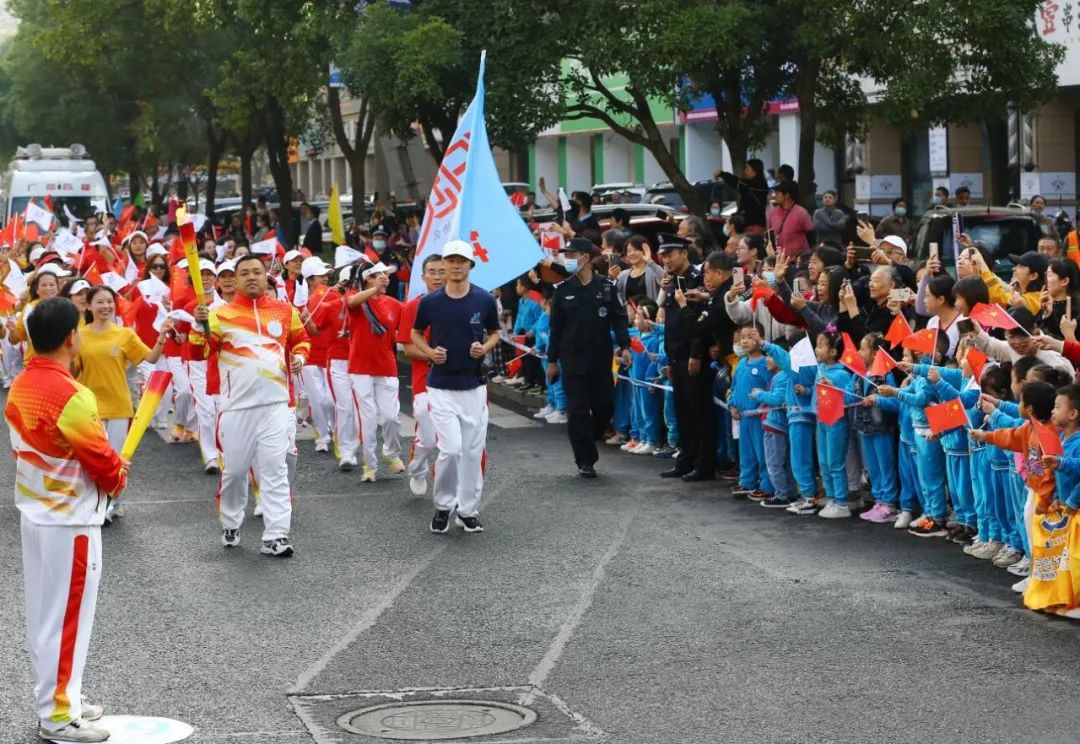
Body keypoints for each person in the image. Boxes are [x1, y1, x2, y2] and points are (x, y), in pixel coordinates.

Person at [7, 296, 129, 743]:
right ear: (70, 338)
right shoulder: (74, 396)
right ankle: (58, 717)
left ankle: (61, 699)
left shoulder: (20, 384)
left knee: (46, 617)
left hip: (36, 514)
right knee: (66, 622)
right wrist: (119, 474)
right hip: (70, 522)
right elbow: (102, 462)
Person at [191, 254, 310, 557]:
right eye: (244, 273)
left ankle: (276, 535)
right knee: (235, 472)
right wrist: (198, 326)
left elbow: (301, 340)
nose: (251, 277)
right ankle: (231, 522)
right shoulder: (219, 315)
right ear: (235, 280)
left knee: (275, 469)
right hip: (236, 408)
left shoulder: (285, 310)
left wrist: (299, 357)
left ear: (265, 275)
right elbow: (198, 351)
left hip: (275, 404)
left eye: (257, 271)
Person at [408, 239, 500, 534]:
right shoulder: (431, 302)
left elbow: (495, 332)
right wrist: (429, 352)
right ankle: (443, 505)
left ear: (470, 265)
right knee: (451, 449)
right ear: (444, 264)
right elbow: (415, 333)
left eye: (462, 261)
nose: (456, 266)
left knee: (472, 452)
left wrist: (484, 347)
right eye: (451, 261)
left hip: (473, 386)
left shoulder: (483, 299)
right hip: (441, 386)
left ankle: (467, 511)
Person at [76, 285, 168, 522]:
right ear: (89, 306)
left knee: (116, 459)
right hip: (88, 406)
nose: (105, 306)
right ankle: (95, 502)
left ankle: (114, 502)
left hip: (119, 404)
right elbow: (72, 370)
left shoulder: (124, 334)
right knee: (93, 458)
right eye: (100, 302)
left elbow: (151, 358)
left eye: (109, 302)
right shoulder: (79, 336)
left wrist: (161, 338)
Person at [547, 237, 631, 478]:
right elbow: (555, 329)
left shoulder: (606, 287)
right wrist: (552, 361)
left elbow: (619, 318)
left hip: (600, 359)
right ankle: (585, 460)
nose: (567, 259)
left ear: (585, 258)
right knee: (577, 411)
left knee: (604, 406)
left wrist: (624, 346)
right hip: (572, 361)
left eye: (571, 255)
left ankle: (591, 437)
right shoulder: (562, 290)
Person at [345, 260, 405, 483]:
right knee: (367, 419)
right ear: (367, 279)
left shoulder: (395, 305)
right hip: (360, 368)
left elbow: (408, 328)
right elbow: (351, 302)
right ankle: (370, 465)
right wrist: (373, 290)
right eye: (379, 275)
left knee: (391, 417)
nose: (385, 279)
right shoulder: (357, 299)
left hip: (387, 366)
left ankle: (391, 453)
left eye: (386, 276)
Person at [660, 243, 715, 481]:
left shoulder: (698, 280)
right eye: (663, 256)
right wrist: (669, 358)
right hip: (676, 356)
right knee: (682, 412)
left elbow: (700, 324)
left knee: (700, 412)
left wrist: (696, 354)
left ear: (683, 253)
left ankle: (705, 465)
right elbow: (671, 325)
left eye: (670, 255)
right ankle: (686, 460)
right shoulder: (673, 282)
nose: (666, 260)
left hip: (693, 356)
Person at [399, 254, 447, 496]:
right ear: (423, 277)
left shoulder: (459, 305)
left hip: (454, 381)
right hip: (424, 379)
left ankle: (447, 482)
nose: (437, 277)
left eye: (441, 272)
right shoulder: (413, 307)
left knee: (452, 439)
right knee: (427, 437)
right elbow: (408, 348)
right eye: (432, 272)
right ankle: (418, 469)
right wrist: (431, 355)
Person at [298, 256, 342, 455]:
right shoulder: (299, 299)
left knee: (331, 400)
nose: (325, 278)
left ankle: (336, 432)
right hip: (309, 355)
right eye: (320, 276)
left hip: (330, 353)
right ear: (309, 279)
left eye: (326, 275)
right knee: (318, 401)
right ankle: (322, 437)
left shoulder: (331, 295)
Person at [715, 159, 769, 232]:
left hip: (754, 226)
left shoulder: (755, 185)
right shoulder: (758, 185)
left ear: (754, 171)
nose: (744, 171)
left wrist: (722, 174)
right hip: (751, 224)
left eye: (747, 168)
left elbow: (736, 182)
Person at [766, 181, 814, 258]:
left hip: (798, 259)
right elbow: (768, 235)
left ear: (787, 195)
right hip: (778, 259)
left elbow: (811, 236)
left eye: (777, 193)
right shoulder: (773, 213)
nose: (774, 196)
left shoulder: (801, 212)